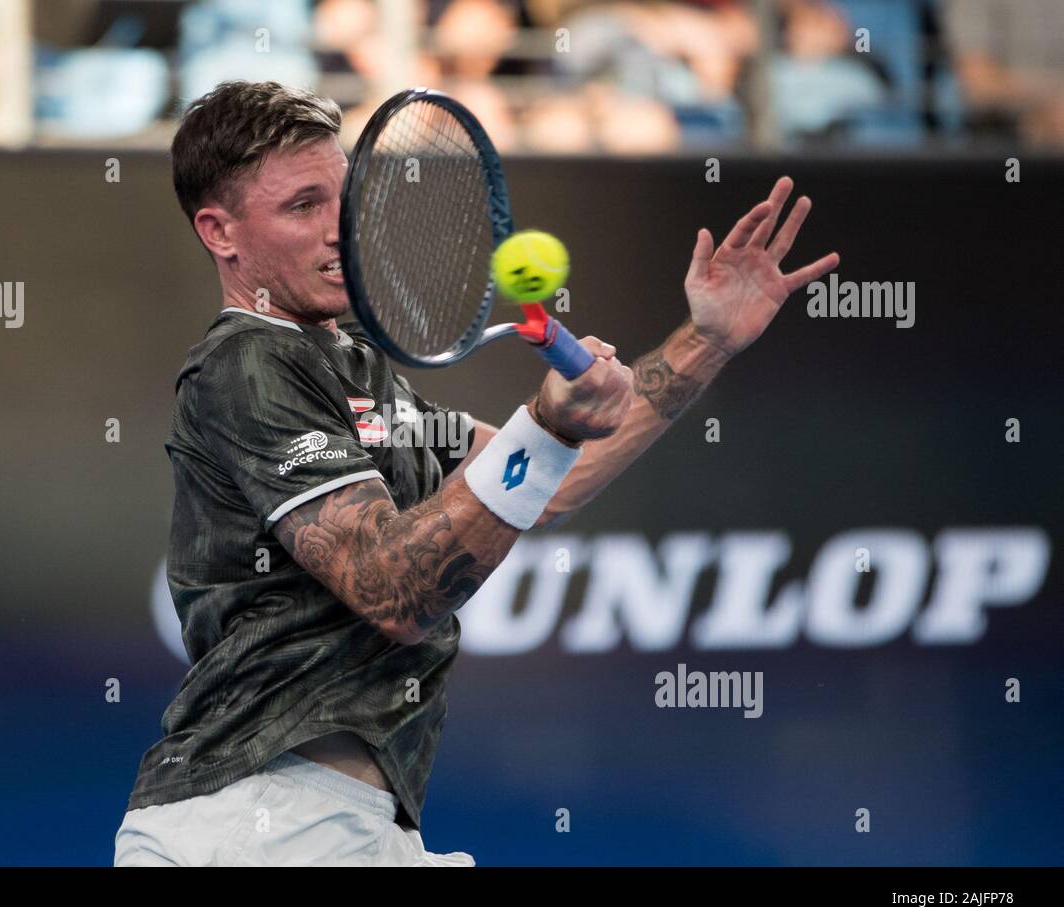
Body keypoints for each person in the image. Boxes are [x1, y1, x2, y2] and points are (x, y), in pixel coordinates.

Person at [113, 80, 838, 866]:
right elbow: (391, 588)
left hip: (339, 825)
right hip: (257, 826)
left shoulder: (351, 364)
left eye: (345, 200)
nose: (339, 232)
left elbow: (549, 480)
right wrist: (547, 422)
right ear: (220, 232)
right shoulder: (248, 365)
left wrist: (706, 342)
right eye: (302, 207)